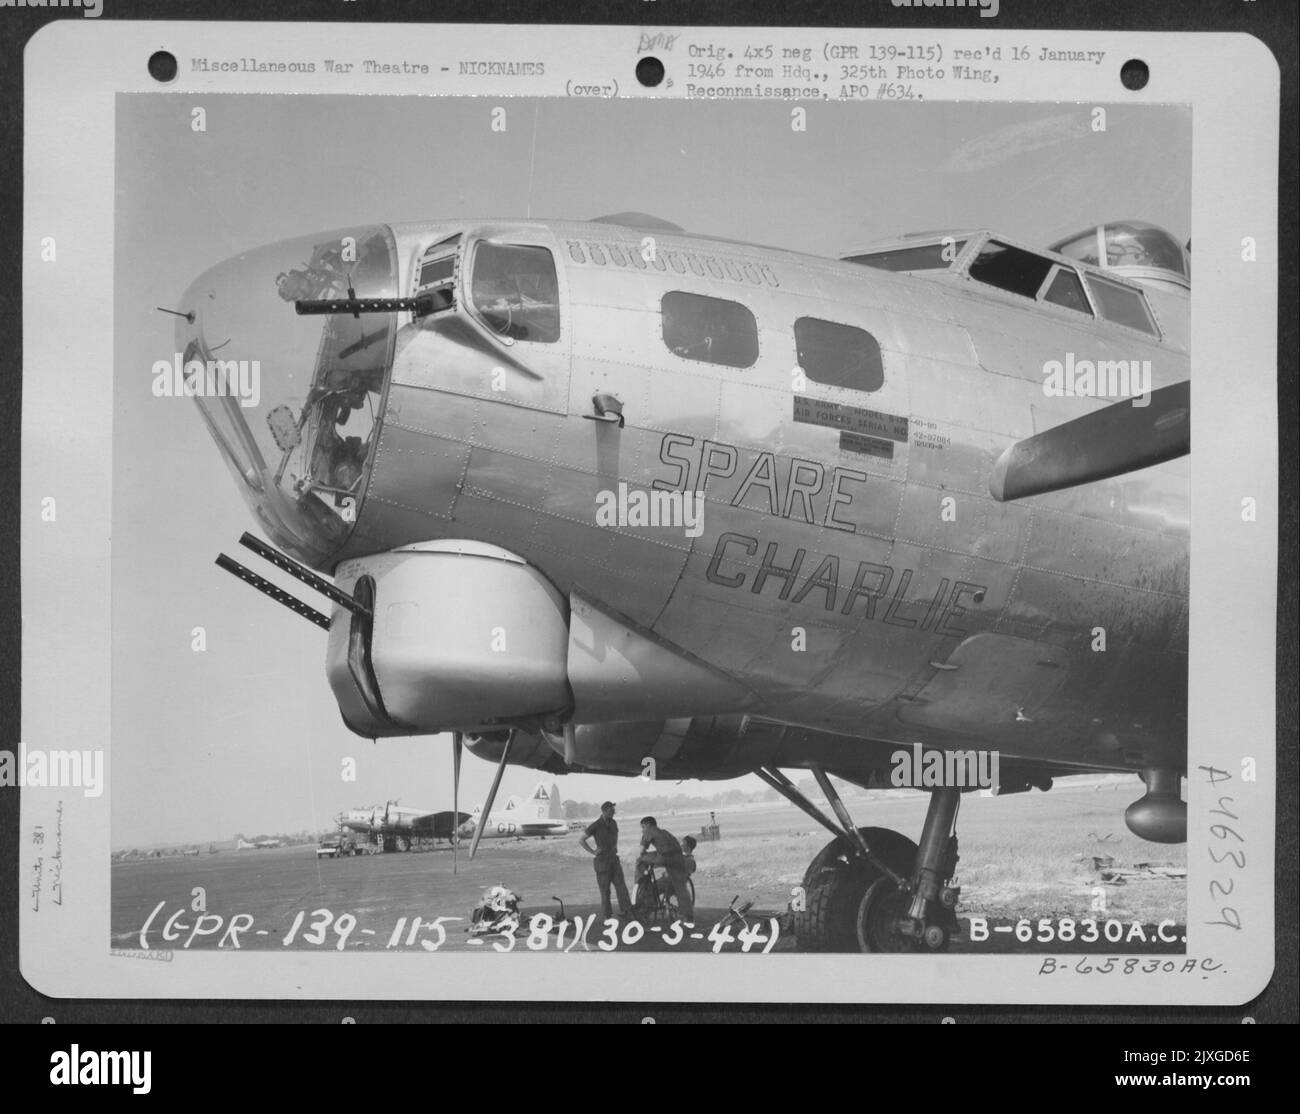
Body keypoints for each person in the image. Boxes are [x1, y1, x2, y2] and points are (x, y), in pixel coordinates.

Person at [579, 801, 632, 920]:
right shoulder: (595, 825)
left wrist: (615, 847)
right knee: (605, 890)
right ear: (604, 811)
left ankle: (627, 911)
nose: (614, 812)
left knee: (621, 887)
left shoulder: (613, 823)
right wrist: (593, 851)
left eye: (613, 811)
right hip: (602, 862)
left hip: (614, 859)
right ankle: (607, 916)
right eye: (611, 811)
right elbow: (581, 840)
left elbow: (615, 836)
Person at [639, 817, 694, 922]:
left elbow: (642, 850)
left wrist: (645, 857)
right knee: (681, 889)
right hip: (678, 858)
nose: (642, 830)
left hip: (665, 857)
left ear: (647, 825)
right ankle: (687, 916)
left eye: (643, 827)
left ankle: (642, 882)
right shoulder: (665, 832)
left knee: (640, 860)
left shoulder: (650, 831)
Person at [656, 834, 696, 904]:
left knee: (650, 889)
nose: (681, 845)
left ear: (688, 847)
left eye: (683, 843)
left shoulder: (687, 861)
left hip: (670, 883)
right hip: (674, 883)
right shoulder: (688, 859)